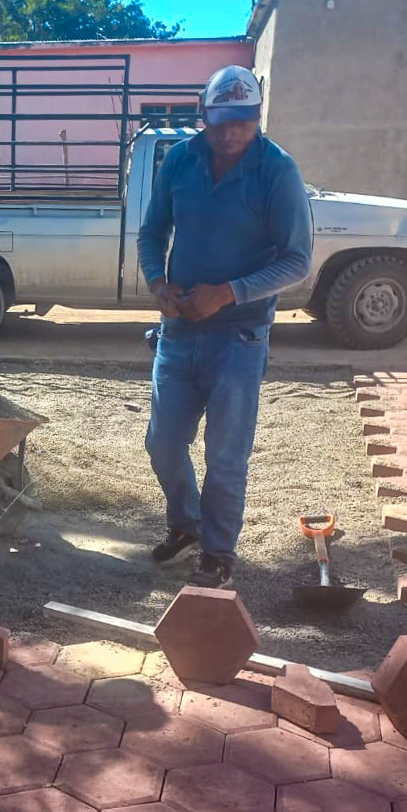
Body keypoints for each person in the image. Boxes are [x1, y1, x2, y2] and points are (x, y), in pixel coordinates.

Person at [137, 65, 313, 589]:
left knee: (225, 454)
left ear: (257, 117)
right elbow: (151, 232)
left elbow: (297, 261)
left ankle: (218, 552)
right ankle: (185, 526)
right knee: (163, 443)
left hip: (240, 335)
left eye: (244, 121)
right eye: (221, 122)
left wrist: (229, 292)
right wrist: (157, 283)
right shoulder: (180, 161)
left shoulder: (277, 170)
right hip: (180, 329)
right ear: (202, 113)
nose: (232, 133)